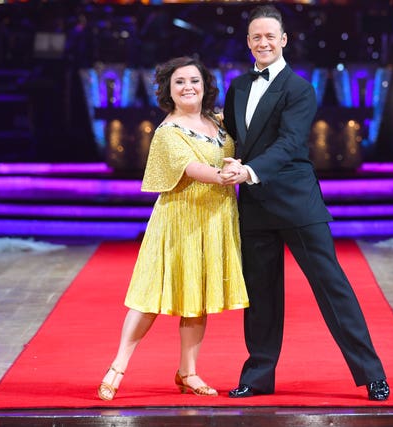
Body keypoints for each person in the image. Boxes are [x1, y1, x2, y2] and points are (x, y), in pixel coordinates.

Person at [220, 5, 390, 401]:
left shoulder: (299, 88)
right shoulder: (239, 86)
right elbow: (231, 137)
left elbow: (290, 144)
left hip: (297, 203)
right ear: (248, 43)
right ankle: (258, 376)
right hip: (255, 206)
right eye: (255, 37)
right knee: (260, 295)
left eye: (269, 36)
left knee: (332, 287)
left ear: (283, 40)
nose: (263, 42)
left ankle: (371, 372)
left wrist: (248, 171)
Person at [97, 56, 249, 400]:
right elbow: (194, 168)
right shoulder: (168, 132)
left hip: (215, 218)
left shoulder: (219, 122)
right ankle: (117, 368)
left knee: (198, 299)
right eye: (179, 82)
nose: (188, 87)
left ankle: (188, 372)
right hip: (178, 221)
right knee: (150, 296)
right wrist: (228, 174)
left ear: (205, 86)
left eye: (194, 80)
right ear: (168, 90)